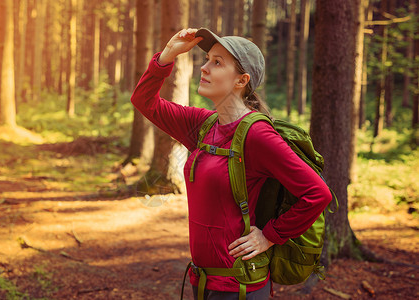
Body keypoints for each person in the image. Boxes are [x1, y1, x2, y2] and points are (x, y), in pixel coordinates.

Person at [130, 28, 332, 300]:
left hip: (239, 286)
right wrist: (167, 55)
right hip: (203, 280)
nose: (204, 68)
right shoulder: (203, 124)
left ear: (241, 80)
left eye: (217, 62)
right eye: (207, 59)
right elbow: (143, 101)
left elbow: (318, 193)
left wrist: (270, 236)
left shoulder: (257, 135)